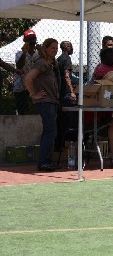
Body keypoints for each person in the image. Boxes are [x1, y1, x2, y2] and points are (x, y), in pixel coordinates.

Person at [24, 38, 60, 172]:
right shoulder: (41, 63)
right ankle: (43, 161)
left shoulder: (50, 64)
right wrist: (34, 94)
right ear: (45, 49)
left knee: (49, 131)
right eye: (52, 48)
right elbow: (28, 78)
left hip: (51, 102)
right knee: (51, 131)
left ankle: (46, 160)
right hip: (45, 102)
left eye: (56, 48)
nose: (55, 50)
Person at [14, 29, 40, 115]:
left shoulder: (38, 54)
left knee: (35, 110)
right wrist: (24, 53)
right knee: (23, 110)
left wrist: (41, 52)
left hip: (33, 85)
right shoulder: (19, 53)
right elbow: (19, 66)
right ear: (25, 41)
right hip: (21, 86)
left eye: (33, 39)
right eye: (29, 40)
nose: (32, 42)